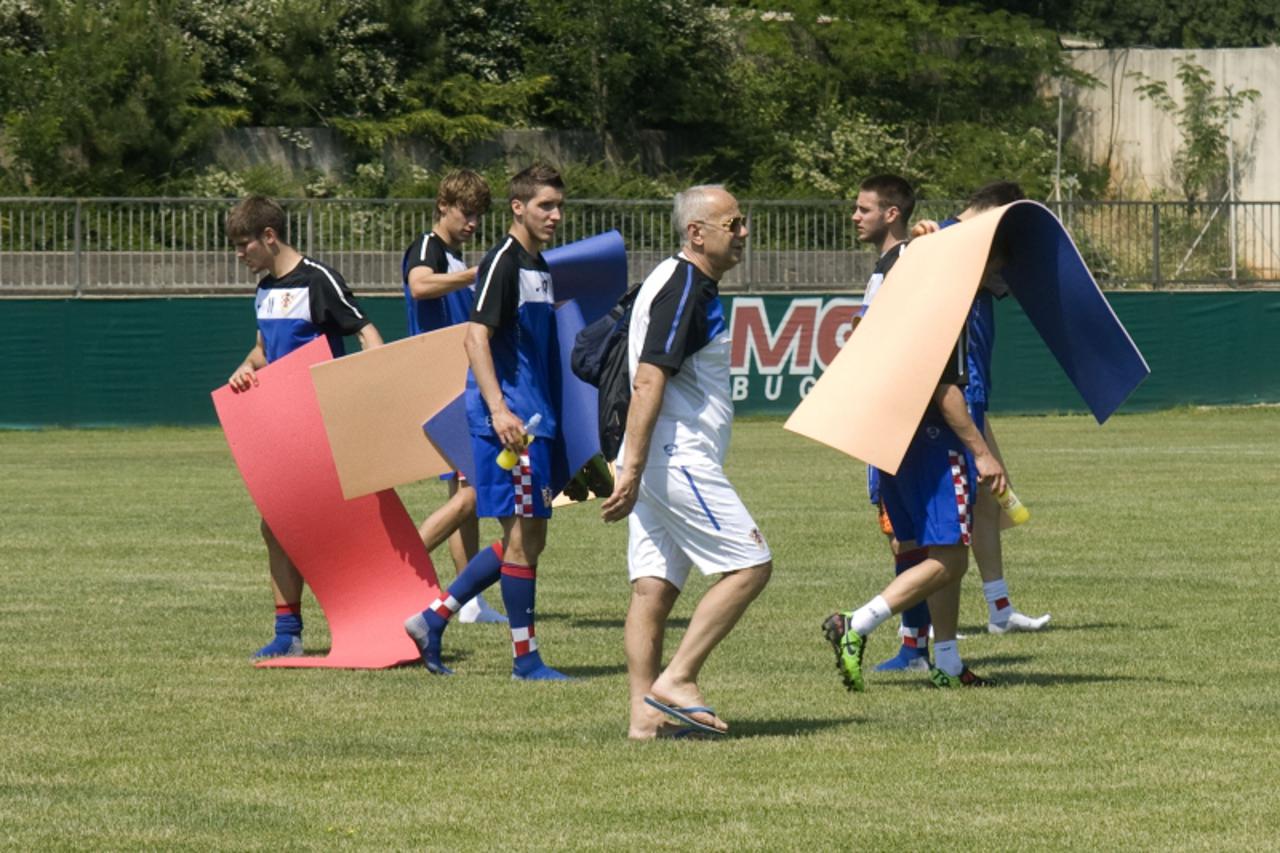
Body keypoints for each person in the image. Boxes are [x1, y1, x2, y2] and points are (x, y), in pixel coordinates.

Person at [602, 185, 772, 739]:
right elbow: (650, 377)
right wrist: (633, 468)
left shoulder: (678, 282)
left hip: (654, 460)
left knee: (653, 589)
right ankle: (677, 680)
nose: (744, 232)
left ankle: (643, 717)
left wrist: (633, 464)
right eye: (734, 223)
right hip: (674, 457)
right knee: (750, 565)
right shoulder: (686, 287)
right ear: (697, 233)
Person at [824, 224, 1010, 689]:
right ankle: (857, 623)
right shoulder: (943, 305)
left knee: (929, 550)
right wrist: (982, 453)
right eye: (994, 262)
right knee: (951, 559)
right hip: (932, 443)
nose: (999, 272)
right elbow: (945, 387)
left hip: (894, 441)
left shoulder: (902, 294)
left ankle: (945, 660)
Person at [404, 164, 569, 680]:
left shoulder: (539, 267)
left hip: (534, 423)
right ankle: (526, 660)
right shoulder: (501, 261)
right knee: (521, 537)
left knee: (530, 539)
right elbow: (475, 337)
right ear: (518, 207)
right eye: (545, 205)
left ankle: (433, 619)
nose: (556, 216)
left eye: (559, 206)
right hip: (509, 425)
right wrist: (499, 410)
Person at [225, 194, 384, 659]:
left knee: (340, 529)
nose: (239, 256)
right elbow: (263, 350)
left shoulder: (319, 280)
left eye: (243, 245)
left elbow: (364, 329)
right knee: (274, 527)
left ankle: (376, 615)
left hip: (326, 427)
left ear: (269, 237)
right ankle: (288, 632)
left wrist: (375, 387)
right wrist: (245, 368)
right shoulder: (263, 290)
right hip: (284, 428)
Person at [911, 181, 1051, 637]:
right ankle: (920, 622)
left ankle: (999, 609)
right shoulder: (941, 242)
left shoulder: (978, 247)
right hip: (956, 391)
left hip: (976, 389)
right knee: (947, 516)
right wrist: (924, 242)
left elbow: (1013, 281)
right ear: (997, 212)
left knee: (988, 502)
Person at [402, 169, 505, 624]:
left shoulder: (452, 255)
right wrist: (472, 276)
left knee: (463, 490)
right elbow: (419, 285)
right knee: (473, 491)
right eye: (466, 212)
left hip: (455, 385)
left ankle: (466, 601)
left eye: (479, 215)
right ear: (443, 205)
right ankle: (400, 566)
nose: (473, 223)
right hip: (442, 387)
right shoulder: (429, 249)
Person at [847, 175, 937, 674]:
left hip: (900, 423)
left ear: (892, 214)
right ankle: (913, 645)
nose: (855, 216)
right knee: (898, 535)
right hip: (877, 417)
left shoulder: (910, 259)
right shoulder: (882, 268)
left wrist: (928, 239)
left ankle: (918, 649)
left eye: (865, 209)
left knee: (911, 535)